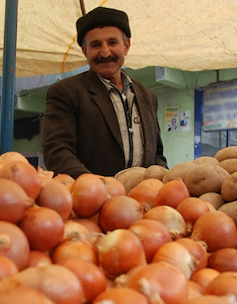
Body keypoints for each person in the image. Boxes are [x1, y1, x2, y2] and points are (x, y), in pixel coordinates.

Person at [42, 7, 167, 178]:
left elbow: (157, 154)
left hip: (142, 199)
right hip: (92, 200)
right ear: (85, 51)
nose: (105, 52)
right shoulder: (66, 93)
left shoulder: (147, 96)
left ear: (126, 46)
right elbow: (57, 153)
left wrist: (160, 181)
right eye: (96, 45)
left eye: (112, 43)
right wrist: (97, 187)